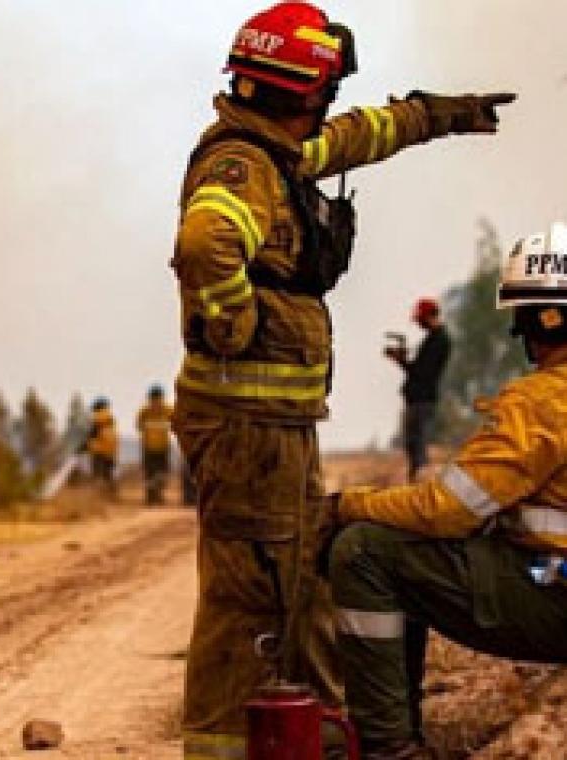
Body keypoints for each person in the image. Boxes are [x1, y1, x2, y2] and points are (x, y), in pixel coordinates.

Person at [169, 2, 514, 754]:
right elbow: (205, 241)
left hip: (271, 426)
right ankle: (228, 744)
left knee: (292, 581)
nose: (331, 103)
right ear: (303, 89)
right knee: (253, 597)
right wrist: (233, 322)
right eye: (327, 89)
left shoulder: (279, 152)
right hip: (248, 425)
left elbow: (361, 134)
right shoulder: (244, 167)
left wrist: (438, 116)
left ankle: (298, 736)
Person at [328, 223, 567, 760]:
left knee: (367, 550)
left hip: (553, 590)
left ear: (543, 318)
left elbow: (450, 509)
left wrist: (348, 505)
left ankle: (387, 746)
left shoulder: (545, 401)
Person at [384, 298, 452, 479]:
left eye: (420, 319)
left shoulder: (439, 340)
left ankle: (421, 481)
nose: (418, 323)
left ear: (429, 316)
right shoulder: (433, 338)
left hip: (422, 400)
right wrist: (402, 360)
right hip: (419, 399)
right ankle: (417, 481)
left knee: (417, 444)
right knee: (413, 444)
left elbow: (422, 372)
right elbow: (419, 369)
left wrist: (401, 359)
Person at [136, 385, 174, 505]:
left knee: (149, 472)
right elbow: (176, 424)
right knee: (161, 471)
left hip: (148, 447)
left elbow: (138, 426)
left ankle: (151, 497)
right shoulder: (168, 409)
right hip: (163, 446)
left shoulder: (144, 411)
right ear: (162, 396)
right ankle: (158, 494)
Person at [85, 397, 119, 497]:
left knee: (97, 473)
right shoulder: (111, 419)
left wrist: (85, 445)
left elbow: (92, 434)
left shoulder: (96, 418)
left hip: (98, 449)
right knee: (108, 473)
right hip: (111, 450)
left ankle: (99, 494)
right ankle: (112, 493)